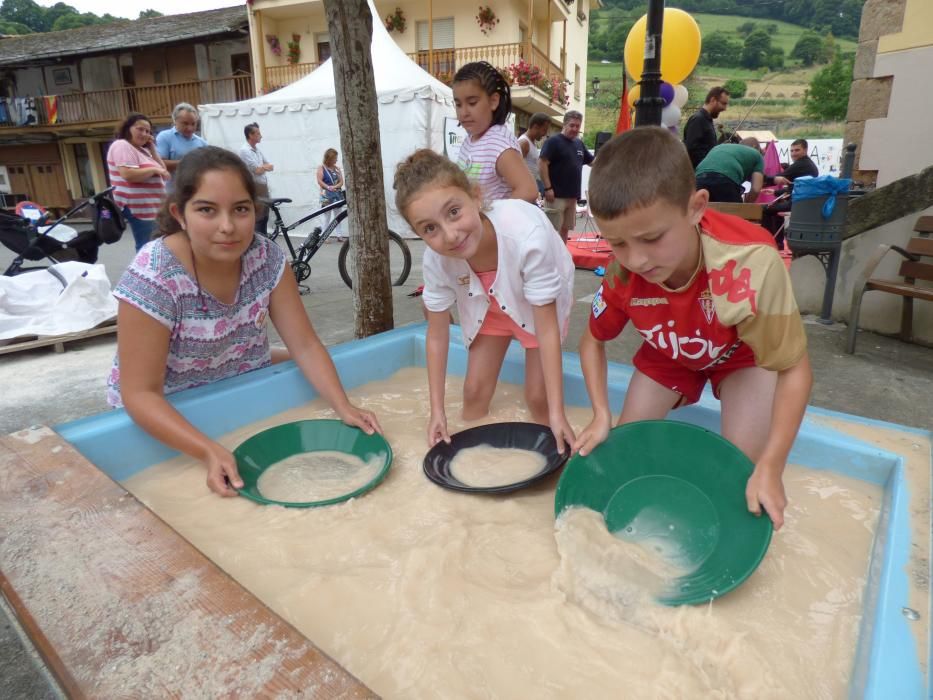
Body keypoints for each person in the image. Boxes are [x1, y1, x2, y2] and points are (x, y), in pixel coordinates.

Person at [106, 146, 382, 497]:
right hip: (168, 412)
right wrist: (206, 450)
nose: (227, 227)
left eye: (240, 209)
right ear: (179, 213)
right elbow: (139, 393)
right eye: (207, 210)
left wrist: (344, 407)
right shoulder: (154, 274)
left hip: (237, 374)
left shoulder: (265, 256)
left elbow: (306, 344)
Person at [574, 127, 812, 531]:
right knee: (626, 450)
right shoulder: (623, 275)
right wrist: (600, 414)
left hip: (741, 356)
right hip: (669, 354)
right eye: (617, 244)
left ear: (695, 207)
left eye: (651, 237)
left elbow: (794, 368)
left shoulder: (752, 262)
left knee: (742, 474)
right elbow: (591, 341)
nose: (637, 260)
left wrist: (773, 465)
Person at [394, 149, 576, 453]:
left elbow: (546, 331)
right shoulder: (436, 261)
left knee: (537, 397)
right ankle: (479, 458)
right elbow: (437, 335)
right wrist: (436, 411)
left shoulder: (526, 235)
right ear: (418, 234)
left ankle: (555, 449)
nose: (450, 235)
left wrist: (557, 414)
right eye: (430, 228)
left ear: (476, 197)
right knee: (474, 392)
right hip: (487, 306)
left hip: (537, 305)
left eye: (453, 212)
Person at [452, 61, 538, 204]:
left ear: (493, 101)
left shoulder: (498, 142)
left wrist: (491, 219)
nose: (463, 112)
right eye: (458, 104)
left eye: (472, 103)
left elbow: (528, 190)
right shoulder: (470, 140)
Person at [106, 112, 168, 251]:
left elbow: (164, 171)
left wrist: (152, 147)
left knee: (154, 246)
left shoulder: (142, 150)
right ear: (128, 128)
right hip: (139, 208)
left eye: (147, 131)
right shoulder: (122, 145)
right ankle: (145, 272)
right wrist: (153, 170)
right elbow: (127, 174)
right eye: (140, 129)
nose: (144, 133)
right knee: (147, 247)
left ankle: (151, 271)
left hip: (151, 207)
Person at [538, 110, 595, 242]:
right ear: (564, 124)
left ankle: (562, 260)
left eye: (577, 126)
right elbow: (542, 163)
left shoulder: (579, 143)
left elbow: (592, 162)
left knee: (565, 230)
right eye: (572, 125)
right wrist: (547, 188)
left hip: (572, 197)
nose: (575, 129)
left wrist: (610, 157)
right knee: (551, 231)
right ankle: (550, 261)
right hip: (555, 196)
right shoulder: (553, 142)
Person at [762, 139, 820, 244]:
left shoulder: (801, 164)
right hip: (804, 201)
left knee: (765, 209)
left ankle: (767, 242)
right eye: (792, 151)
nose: (793, 154)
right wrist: (775, 192)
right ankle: (777, 242)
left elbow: (779, 177)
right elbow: (793, 187)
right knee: (774, 208)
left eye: (797, 150)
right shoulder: (808, 163)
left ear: (805, 150)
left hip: (799, 203)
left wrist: (760, 181)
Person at [694, 138, 765, 204]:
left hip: (699, 178)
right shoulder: (757, 154)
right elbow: (756, 189)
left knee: (702, 214)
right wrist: (746, 207)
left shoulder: (720, 147)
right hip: (725, 180)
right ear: (755, 147)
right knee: (734, 215)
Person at [238, 122, 274, 235]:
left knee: (265, 218)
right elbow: (257, 170)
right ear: (250, 135)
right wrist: (263, 167)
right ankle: (257, 244)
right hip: (255, 189)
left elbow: (271, 166)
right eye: (258, 133)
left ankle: (264, 243)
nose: (261, 135)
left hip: (263, 187)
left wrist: (262, 167)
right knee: (258, 218)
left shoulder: (257, 150)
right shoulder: (245, 150)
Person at [683, 86, 730, 169]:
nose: (725, 108)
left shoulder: (707, 120)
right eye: (723, 103)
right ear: (713, 100)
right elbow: (691, 149)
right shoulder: (698, 119)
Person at [155, 102, 208, 174]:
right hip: (173, 185)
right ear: (175, 121)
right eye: (185, 123)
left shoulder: (202, 143)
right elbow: (158, 163)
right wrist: (188, 162)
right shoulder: (164, 137)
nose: (190, 128)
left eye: (193, 124)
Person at [316, 148, 346, 242]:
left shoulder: (336, 169)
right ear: (329, 158)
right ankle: (325, 236)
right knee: (327, 216)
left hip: (337, 194)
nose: (336, 160)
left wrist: (336, 186)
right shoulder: (321, 168)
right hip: (326, 195)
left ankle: (339, 235)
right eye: (335, 158)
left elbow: (341, 181)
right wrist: (328, 187)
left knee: (338, 215)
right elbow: (319, 181)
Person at [518, 112, 551, 196]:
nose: (545, 134)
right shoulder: (524, 143)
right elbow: (516, 169)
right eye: (544, 130)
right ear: (535, 126)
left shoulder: (531, 143)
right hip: (524, 191)